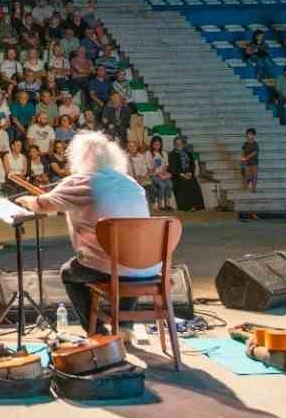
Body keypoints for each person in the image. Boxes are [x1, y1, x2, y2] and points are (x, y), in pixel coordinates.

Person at [13, 130, 158, 331]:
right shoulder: (132, 184)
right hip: (148, 266)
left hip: (113, 267)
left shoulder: (81, 182)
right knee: (129, 258)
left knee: (69, 272)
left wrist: (25, 200)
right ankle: (125, 328)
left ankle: (96, 331)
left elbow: (42, 205)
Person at [168, 136, 204, 212]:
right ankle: (186, 207)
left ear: (183, 144)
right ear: (174, 144)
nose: (179, 144)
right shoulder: (172, 154)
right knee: (183, 183)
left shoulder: (188, 153)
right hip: (178, 175)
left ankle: (197, 206)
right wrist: (182, 174)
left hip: (188, 173)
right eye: (177, 143)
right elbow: (172, 168)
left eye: (180, 143)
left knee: (194, 183)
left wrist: (190, 173)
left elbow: (192, 165)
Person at [239, 128, 259, 193]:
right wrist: (242, 158)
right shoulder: (245, 144)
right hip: (247, 162)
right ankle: (247, 184)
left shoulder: (255, 144)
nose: (250, 136)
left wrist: (247, 157)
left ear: (254, 135)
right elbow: (242, 150)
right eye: (248, 134)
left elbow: (254, 152)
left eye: (251, 134)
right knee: (246, 175)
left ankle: (254, 189)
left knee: (254, 176)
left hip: (254, 162)